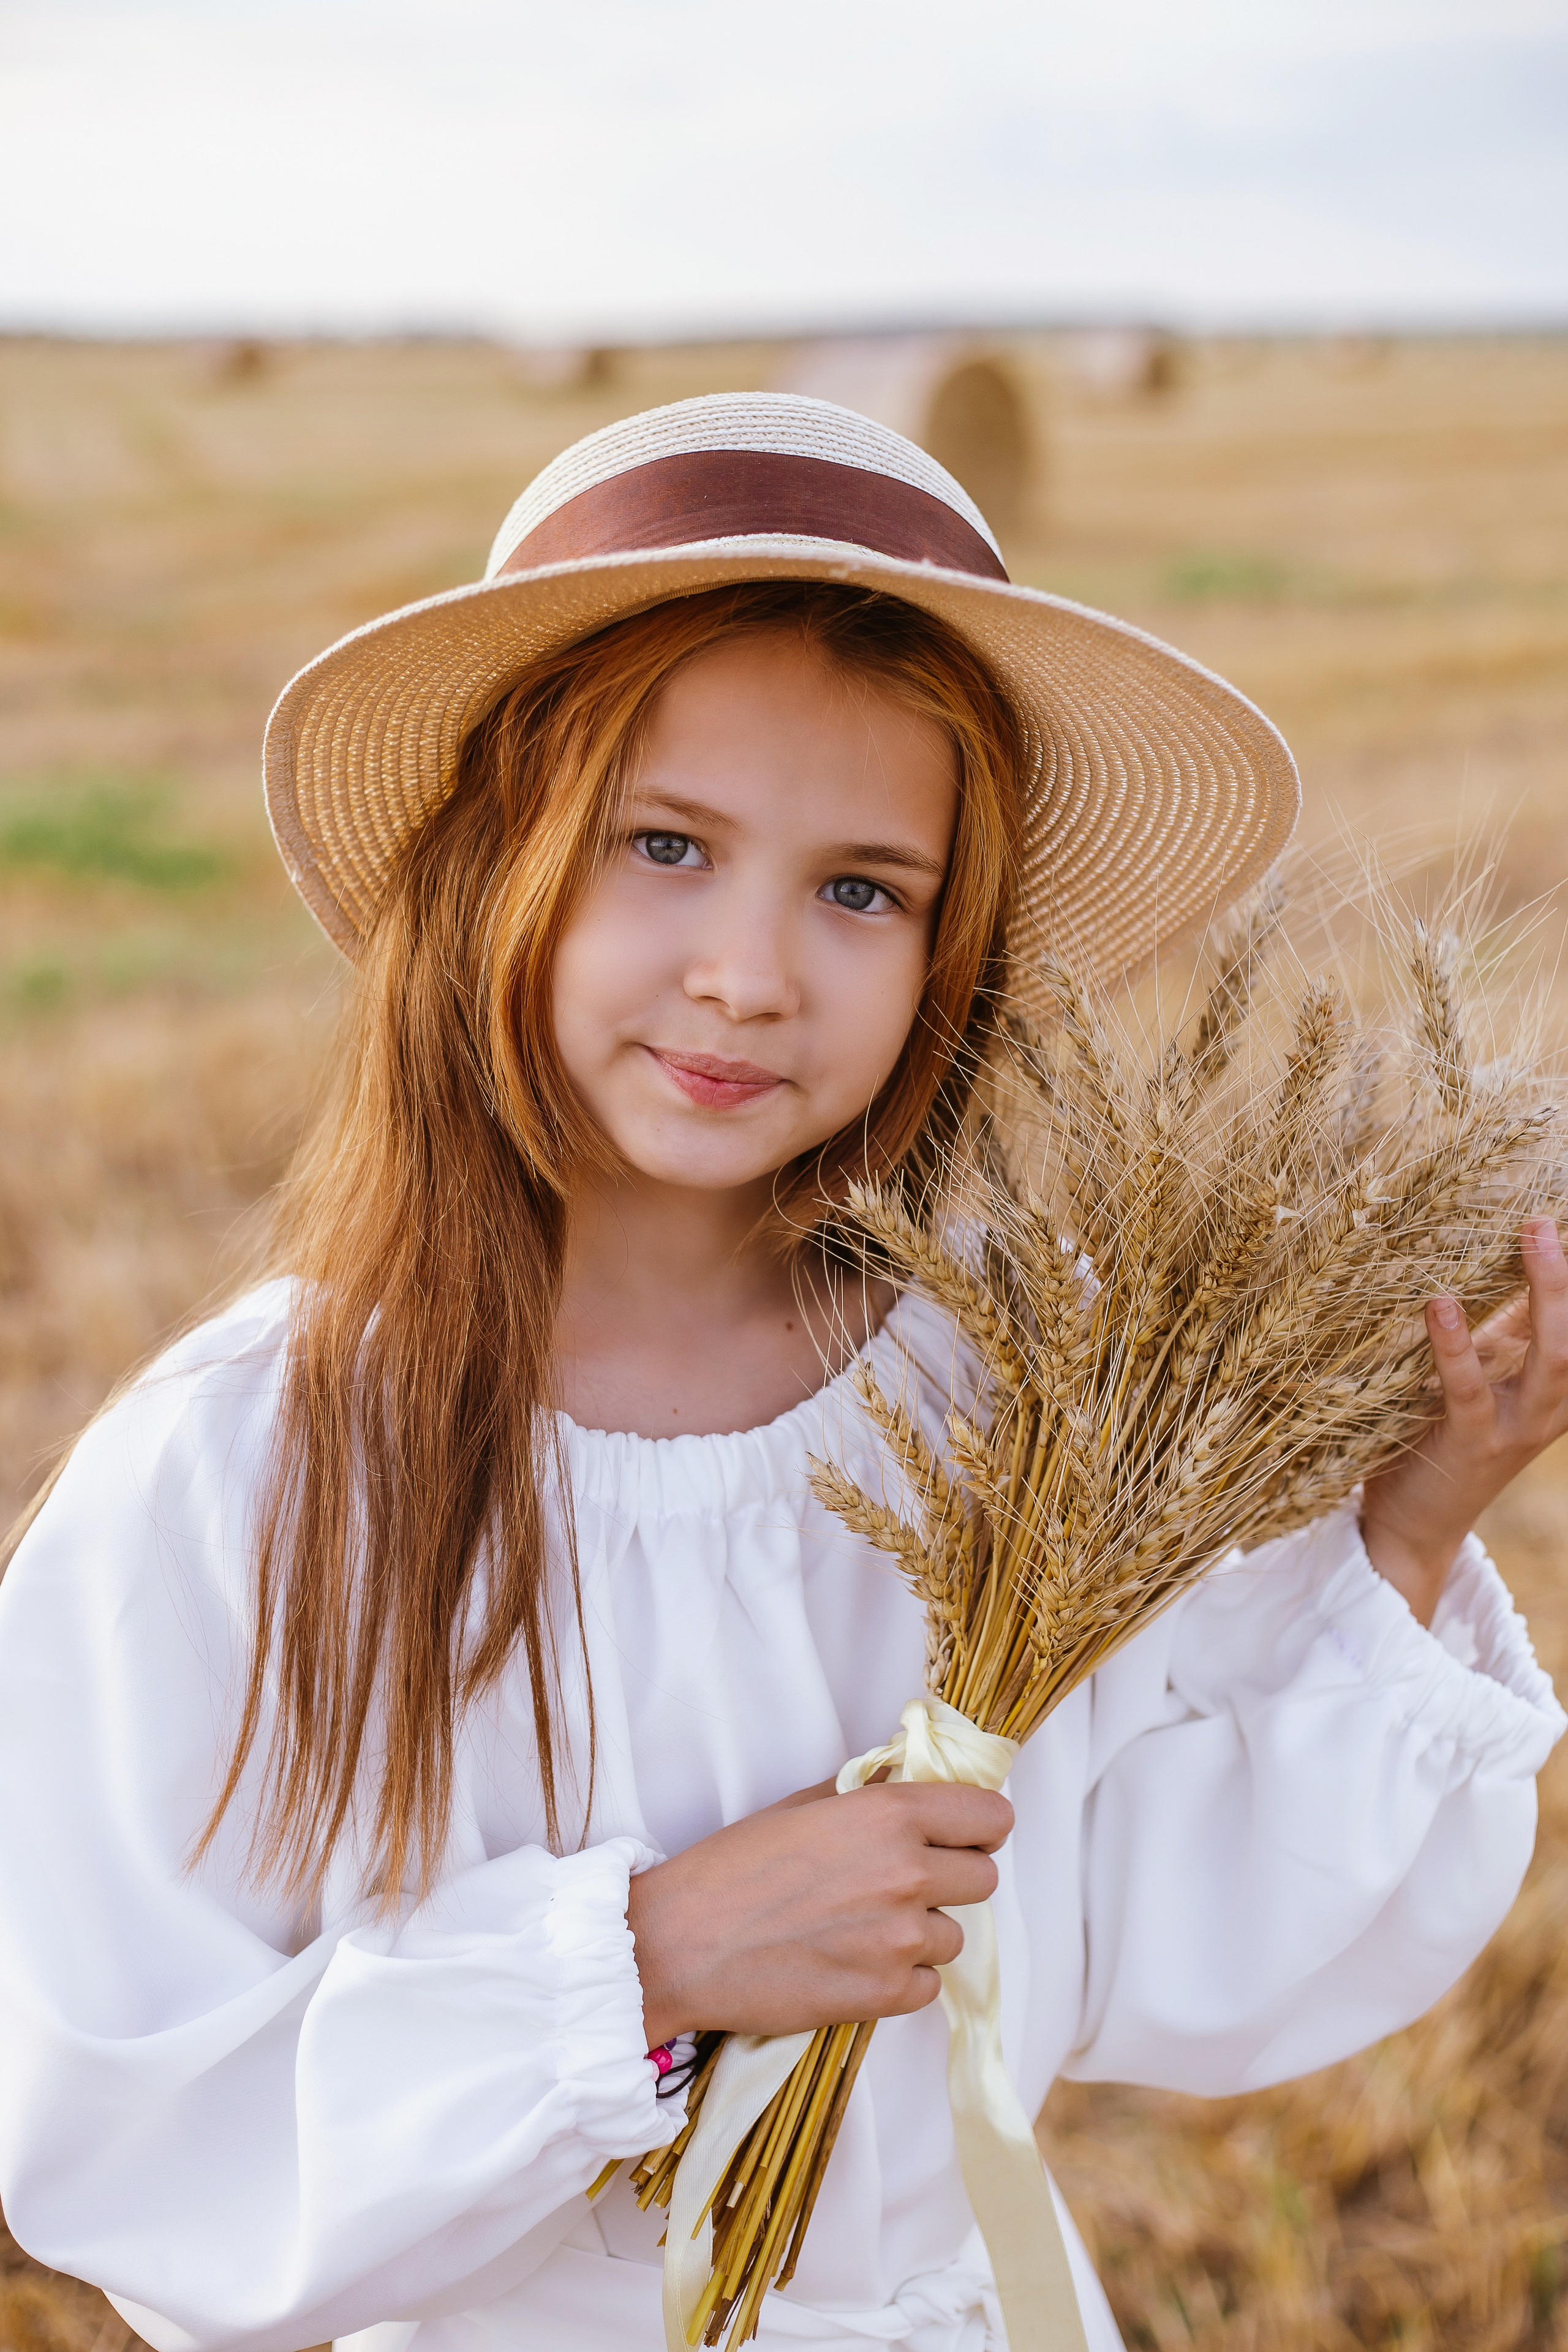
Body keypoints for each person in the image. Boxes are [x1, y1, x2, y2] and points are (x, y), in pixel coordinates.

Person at [0, 394, 1562, 2352]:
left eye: (859, 890)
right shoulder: (248, 1475)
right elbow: (130, 2136)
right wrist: (642, 1964)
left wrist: (1406, 1540)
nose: (751, 972)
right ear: (504, 868)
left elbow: (1156, 1942)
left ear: (948, 954)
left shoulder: (1012, 1392)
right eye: (667, 845)